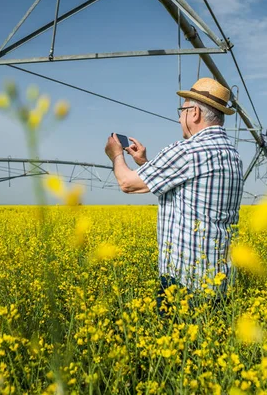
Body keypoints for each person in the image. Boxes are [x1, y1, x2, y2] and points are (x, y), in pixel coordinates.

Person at [104, 77, 243, 312]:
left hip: (185, 282)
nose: (180, 118)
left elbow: (127, 184)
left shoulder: (186, 151)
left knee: (180, 348)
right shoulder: (232, 154)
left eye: (182, 111)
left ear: (195, 113)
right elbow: (188, 187)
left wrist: (116, 155)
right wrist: (145, 163)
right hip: (220, 280)